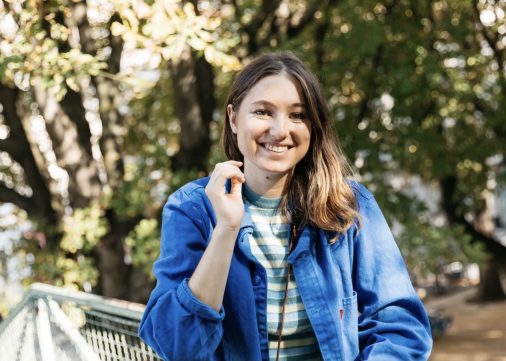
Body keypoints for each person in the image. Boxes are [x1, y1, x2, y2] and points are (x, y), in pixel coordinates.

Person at [138, 52, 432, 361]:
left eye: (298, 115)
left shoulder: (350, 205)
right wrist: (226, 230)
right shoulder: (192, 209)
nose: (280, 130)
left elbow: (400, 326)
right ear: (234, 118)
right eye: (263, 112)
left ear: (313, 126)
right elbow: (178, 347)